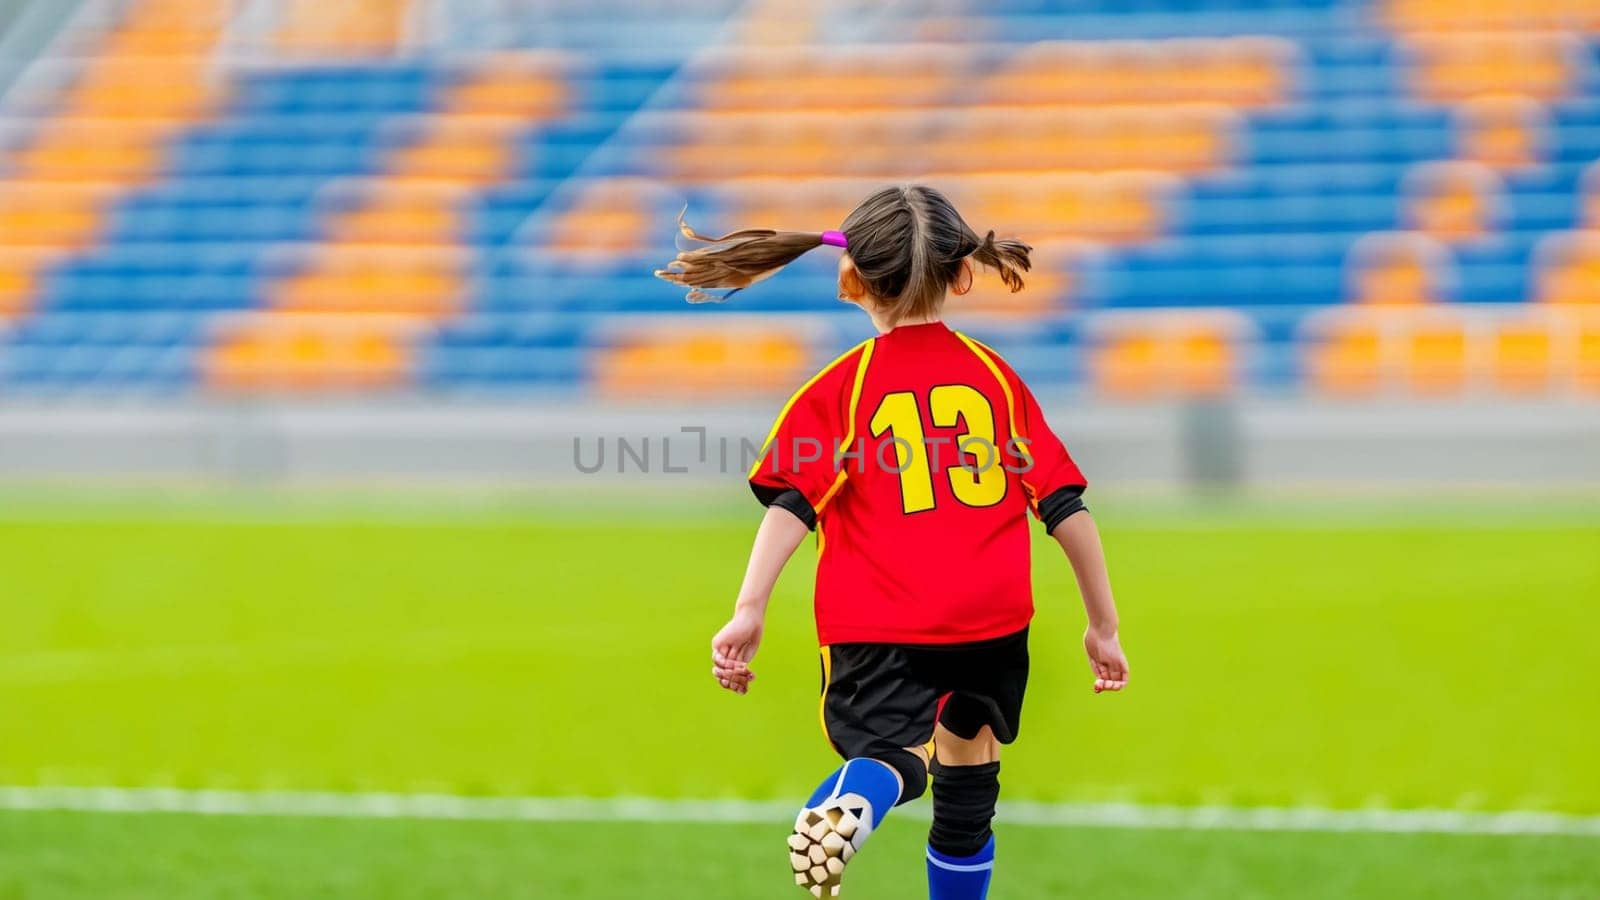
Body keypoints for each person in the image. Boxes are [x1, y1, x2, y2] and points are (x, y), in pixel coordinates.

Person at [656, 184, 1130, 899]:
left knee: (891, 755)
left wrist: (749, 606)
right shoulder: (997, 381)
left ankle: (857, 796)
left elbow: (794, 506)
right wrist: (1104, 625)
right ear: (963, 274)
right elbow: (1067, 510)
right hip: (990, 618)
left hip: (881, 619)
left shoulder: (843, 388)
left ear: (849, 281)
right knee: (969, 774)